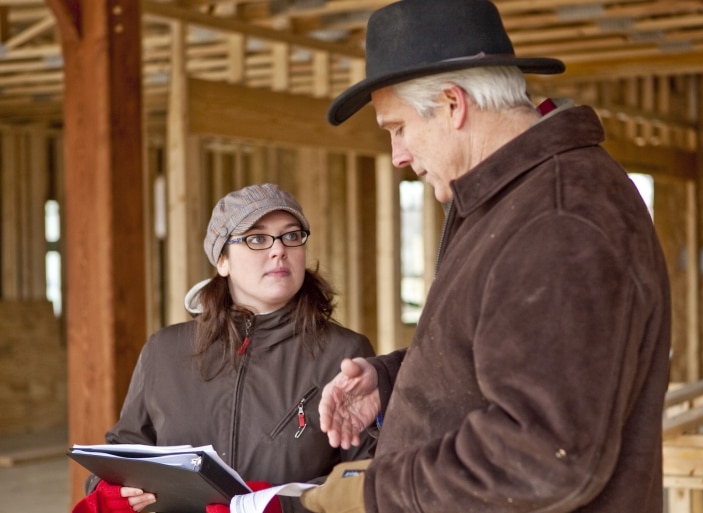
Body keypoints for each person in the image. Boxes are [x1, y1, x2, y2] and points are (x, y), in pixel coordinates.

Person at [300, 0, 672, 512]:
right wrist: (391, 383)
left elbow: (544, 452)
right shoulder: (516, 199)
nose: (398, 156)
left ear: (454, 104)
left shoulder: (558, 221)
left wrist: (374, 492)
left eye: (398, 128)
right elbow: (507, 352)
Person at [72, 183, 376, 513]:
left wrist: (280, 507)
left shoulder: (344, 353)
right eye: (256, 238)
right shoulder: (164, 351)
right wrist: (108, 489)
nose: (279, 250)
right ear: (222, 261)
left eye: (291, 236)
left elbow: (369, 475)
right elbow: (123, 450)